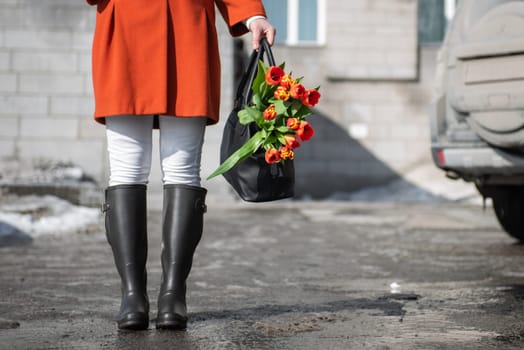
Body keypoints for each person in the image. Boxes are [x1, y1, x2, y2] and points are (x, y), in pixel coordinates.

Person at [85, 0, 275, 331]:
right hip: (126, 31)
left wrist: (252, 14)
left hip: (187, 32)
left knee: (183, 170)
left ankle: (174, 293)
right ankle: (132, 295)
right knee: (126, 169)